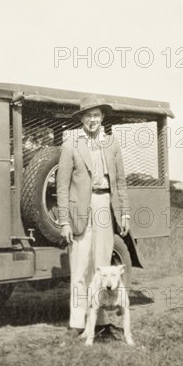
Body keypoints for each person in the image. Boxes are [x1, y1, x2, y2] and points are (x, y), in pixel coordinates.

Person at [56, 95, 130, 337]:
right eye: (88, 116)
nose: (92, 120)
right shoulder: (71, 145)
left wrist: (125, 213)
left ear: (103, 118)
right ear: (82, 119)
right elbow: (62, 185)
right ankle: (77, 324)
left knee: (102, 268)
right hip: (80, 210)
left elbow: (120, 182)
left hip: (104, 204)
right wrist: (65, 221)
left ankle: (100, 323)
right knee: (79, 268)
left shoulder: (112, 144)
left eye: (96, 115)